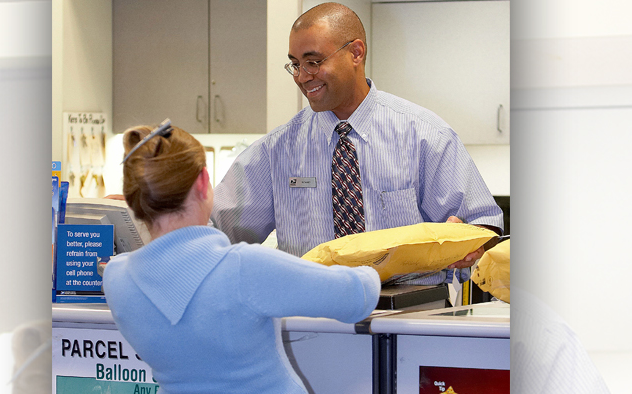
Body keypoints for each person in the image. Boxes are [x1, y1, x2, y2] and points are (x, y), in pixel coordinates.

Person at [210, 2, 503, 285]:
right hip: (311, 317)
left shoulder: (426, 135)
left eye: (313, 62)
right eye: (295, 65)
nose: (302, 77)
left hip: (411, 317)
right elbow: (215, 232)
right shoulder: (275, 151)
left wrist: (471, 242)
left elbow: (483, 224)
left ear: (356, 52)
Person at [102, 123, 380, 393]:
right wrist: (373, 266)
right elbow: (357, 296)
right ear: (203, 182)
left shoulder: (116, 278)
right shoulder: (243, 268)